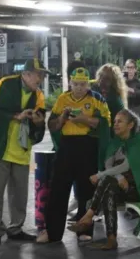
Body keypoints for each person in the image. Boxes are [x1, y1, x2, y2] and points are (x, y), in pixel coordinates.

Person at [37, 67, 111, 243]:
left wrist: (83, 119)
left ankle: (84, 230)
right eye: (76, 84)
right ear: (70, 82)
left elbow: (104, 123)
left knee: (86, 191)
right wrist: (63, 118)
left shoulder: (96, 98)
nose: (79, 87)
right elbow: (53, 125)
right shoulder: (63, 99)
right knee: (58, 190)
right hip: (66, 147)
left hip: (87, 147)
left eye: (83, 84)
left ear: (88, 84)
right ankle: (52, 232)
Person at [67, 109, 140, 250]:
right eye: (114, 121)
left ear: (131, 125)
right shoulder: (115, 142)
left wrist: (100, 175)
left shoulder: (136, 142)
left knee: (106, 180)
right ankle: (110, 238)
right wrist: (119, 177)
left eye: (120, 121)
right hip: (118, 186)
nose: (115, 124)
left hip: (137, 188)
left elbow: (128, 165)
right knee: (110, 189)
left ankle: (89, 216)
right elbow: (108, 163)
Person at [0, 58, 49, 246]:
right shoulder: (4, 85)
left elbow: (40, 124)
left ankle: (15, 228)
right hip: (0, 148)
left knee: (19, 194)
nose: (40, 78)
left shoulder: (39, 96)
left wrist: (37, 123)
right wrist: (16, 116)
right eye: (38, 74)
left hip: (21, 150)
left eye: (42, 75)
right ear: (26, 74)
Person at [92, 63, 128, 137]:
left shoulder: (115, 101)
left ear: (114, 82)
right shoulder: (96, 94)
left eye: (107, 78)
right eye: (101, 76)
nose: (102, 81)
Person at [124, 59, 140, 130]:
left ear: (135, 69)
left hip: (137, 111)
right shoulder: (121, 82)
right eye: (128, 67)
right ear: (125, 68)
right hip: (125, 111)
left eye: (132, 67)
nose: (130, 70)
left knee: (137, 134)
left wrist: (130, 90)